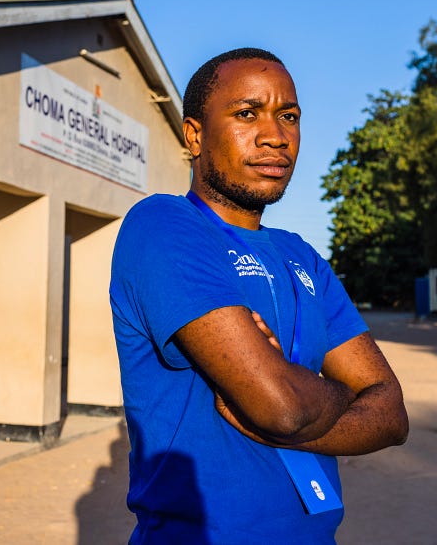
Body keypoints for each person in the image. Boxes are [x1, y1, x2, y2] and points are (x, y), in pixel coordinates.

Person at [110, 48, 409, 544]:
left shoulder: (303, 256)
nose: (275, 136)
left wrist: (290, 400)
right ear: (194, 135)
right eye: (247, 113)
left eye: (288, 116)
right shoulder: (162, 227)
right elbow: (280, 407)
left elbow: (392, 415)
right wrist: (334, 396)